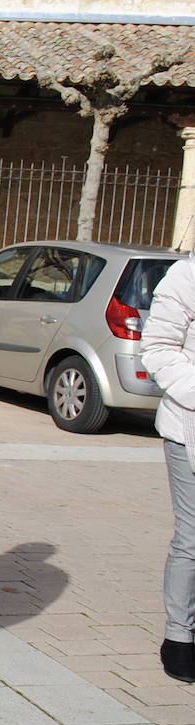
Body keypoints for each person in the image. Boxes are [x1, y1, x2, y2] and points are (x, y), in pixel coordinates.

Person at [139, 255, 195, 684]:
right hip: (188, 427)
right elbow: (157, 349)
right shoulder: (186, 276)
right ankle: (179, 637)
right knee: (194, 540)